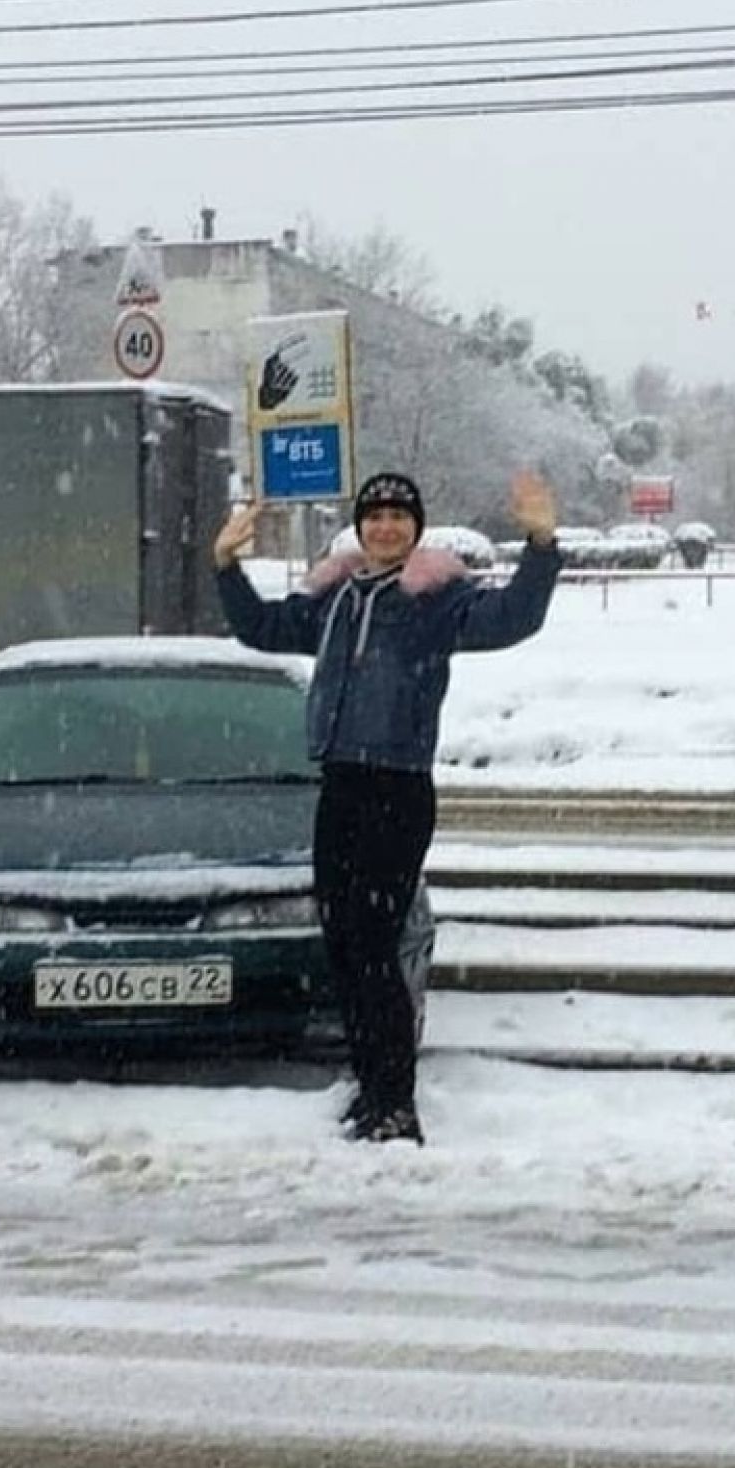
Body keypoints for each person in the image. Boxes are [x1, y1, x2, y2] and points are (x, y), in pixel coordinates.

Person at [213, 471, 561, 1144]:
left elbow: (513, 618)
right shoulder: (335, 596)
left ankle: (396, 1103)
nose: (386, 526)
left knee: (375, 945)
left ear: (417, 528)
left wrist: (541, 542)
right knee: (344, 946)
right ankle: (372, 1087)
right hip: (340, 784)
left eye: (400, 516)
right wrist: (225, 563)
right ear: (360, 526)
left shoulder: (437, 597)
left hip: (397, 788)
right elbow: (261, 627)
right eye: (375, 515)